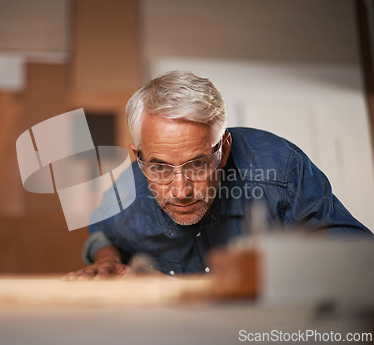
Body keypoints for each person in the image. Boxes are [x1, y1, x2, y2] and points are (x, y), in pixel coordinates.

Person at [64, 70, 372, 280]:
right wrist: (107, 260)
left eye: (197, 164)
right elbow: (101, 231)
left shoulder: (279, 170)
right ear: (138, 156)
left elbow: (361, 261)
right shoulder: (127, 192)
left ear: (223, 150)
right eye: (159, 167)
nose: (181, 190)